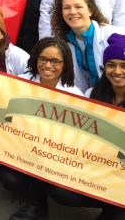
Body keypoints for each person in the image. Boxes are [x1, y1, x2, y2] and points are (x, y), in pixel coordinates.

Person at [0, 38, 82, 220]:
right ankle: (32, 192)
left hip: (54, 157)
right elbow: (2, 115)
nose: (47, 65)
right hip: (21, 148)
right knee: (9, 179)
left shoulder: (75, 96)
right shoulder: (19, 83)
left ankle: (36, 205)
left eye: (55, 61)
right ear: (35, 59)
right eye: (42, 59)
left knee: (45, 171)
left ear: (64, 64)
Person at [47, 35, 125, 219]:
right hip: (95, 170)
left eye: (123, 65)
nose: (117, 71)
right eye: (111, 65)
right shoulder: (93, 95)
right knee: (60, 190)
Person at [49, 0, 125, 92]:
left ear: (90, 10)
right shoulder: (66, 44)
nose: (72, 12)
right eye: (66, 8)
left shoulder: (113, 35)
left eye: (78, 7)